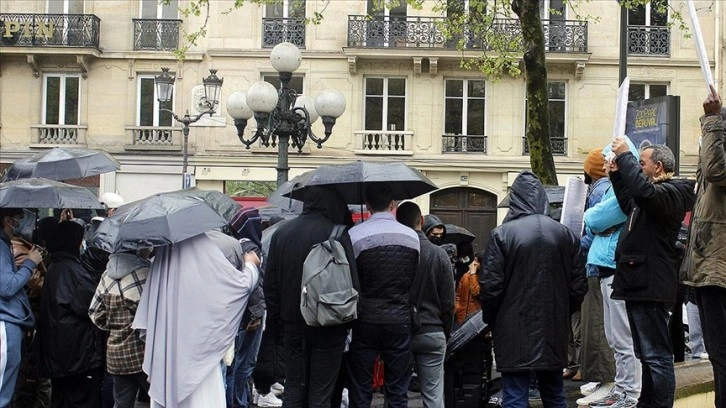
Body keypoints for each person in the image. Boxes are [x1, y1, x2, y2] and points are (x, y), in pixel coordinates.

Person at [478, 171, 587, 406]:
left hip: (512, 329)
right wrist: (563, 312)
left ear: (515, 199)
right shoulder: (566, 235)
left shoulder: (502, 235)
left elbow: (490, 286)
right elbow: (578, 286)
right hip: (553, 327)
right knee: (554, 394)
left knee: (515, 396)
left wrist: (492, 319)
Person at [608, 137, 696, 407]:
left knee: (656, 354)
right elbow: (631, 203)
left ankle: (660, 403)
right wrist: (617, 176)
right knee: (645, 353)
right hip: (639, 281)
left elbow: (644, 195)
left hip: (651, 283)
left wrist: (624, 157)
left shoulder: (672, 191)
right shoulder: (653, 194)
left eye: (641, 162)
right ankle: (648, 402)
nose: (638, 165)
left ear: (657, 167)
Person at [133, 232, 261, 407]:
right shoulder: (203, 249)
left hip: (168, 342)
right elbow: (237, 288)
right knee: (202, 394)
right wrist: (251, 267)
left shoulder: (164, 252)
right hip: (199, 345)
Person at [264, 185, 358, 408]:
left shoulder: (281, 234)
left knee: (294, 389)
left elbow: (271, 286)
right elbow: (352, 283)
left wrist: (277, 326)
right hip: (329, 324)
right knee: (321, 393)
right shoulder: (337, 233)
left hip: (292, 325)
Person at [347, 184, 419, 408]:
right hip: (399, 318)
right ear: (392, 205)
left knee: (361, 387)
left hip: (364, 319)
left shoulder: (354, 235)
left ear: (367, 206)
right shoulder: (411, 237)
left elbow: (351, 279)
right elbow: (414, 279)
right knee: (397, 389)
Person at [582, 143, 642, 407]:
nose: (607, 164)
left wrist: (593, 218)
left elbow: (593, 220)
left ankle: (629, 392)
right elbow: (596, 221)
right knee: (614, 336)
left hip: (614, 266)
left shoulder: (620, 189)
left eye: (611, 160)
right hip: (607, 265)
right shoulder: (616, 188)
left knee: (622, 336)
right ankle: (622, 388)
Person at [683, 87, 726, 406]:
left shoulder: (718, 162)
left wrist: (712, 121)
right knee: (718, 355)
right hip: (711, 268)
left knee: (722, 356)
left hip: (718, 269)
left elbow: (715, 170)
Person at [38, 220, 106, 408]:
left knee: (60, 399)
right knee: (81, 399)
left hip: (59, 354)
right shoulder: (72, 270)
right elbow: (92, 305)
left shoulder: (55, 266)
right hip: (77, 354)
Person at [396, 202, 455, 407]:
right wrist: (445, 332)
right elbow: (448, 302)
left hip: (400, 331)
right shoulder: (440, 255)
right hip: (433, 330)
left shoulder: (397, 251)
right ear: (421, 221)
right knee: (433, 396)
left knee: (396, 392)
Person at [89, 248, 151, 408]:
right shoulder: (145, 273)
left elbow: (95, 313)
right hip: (142, 353)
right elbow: (152, 315)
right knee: (158, 400)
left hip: (116, 354)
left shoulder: (106, 275)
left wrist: (114, 325)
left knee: (122, 402)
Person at [577, 149, 617, 399]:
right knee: (599, 324)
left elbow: (593, 227)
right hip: (599, 263)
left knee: (599, 324)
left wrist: (575, 246)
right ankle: (601, 378)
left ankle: (605, 379)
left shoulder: (600, 191)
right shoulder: (605, 188)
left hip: (599, 264)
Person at [0, 208, 43, 407]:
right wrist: (30, 263)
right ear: (6, 220)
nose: (17, 226)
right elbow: (7, 287)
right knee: (4, 390)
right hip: (6, 324)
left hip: (8, 323)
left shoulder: (5, 245)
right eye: (16, 221)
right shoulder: (0, 246)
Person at [455, 251, 483, 325]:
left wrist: (473, 274)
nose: (474, 263)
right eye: (474, 260)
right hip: (461, 316)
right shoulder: (466, 276)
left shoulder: (484, 279)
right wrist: (457, 309)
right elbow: (458, 295)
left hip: (475, 317)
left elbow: (476, 292)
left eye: (477, 261)